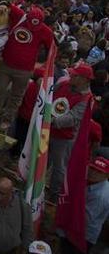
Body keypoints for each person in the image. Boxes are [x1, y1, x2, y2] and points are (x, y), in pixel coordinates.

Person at [0, 5, 53, 134]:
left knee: (16, 96)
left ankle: (7, 119)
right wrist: (2, 5)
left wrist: (43, 64)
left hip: (24, 70)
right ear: (27, 17)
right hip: (6, 65)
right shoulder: (20, 16)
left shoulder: (45, 31)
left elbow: (52, 47)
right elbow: (8, 4)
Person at [49, 63, 95, 200]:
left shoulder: (87, 98)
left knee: (59, 167)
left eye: (75, 75)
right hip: (48, 130)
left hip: (64, 138)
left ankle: (54, 195)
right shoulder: (63, 83)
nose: (71, 76)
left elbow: (73, 118)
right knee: (42, 159)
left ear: (84, 79)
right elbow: (49, 96)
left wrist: (51, 121)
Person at [57, 156, 109, 254]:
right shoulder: (94, 183)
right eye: (92, 168)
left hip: (82, 237)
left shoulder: (101, 196)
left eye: (99, 172)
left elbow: (84, 220)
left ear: (106, 176)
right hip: (75, 230)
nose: (93, 173)